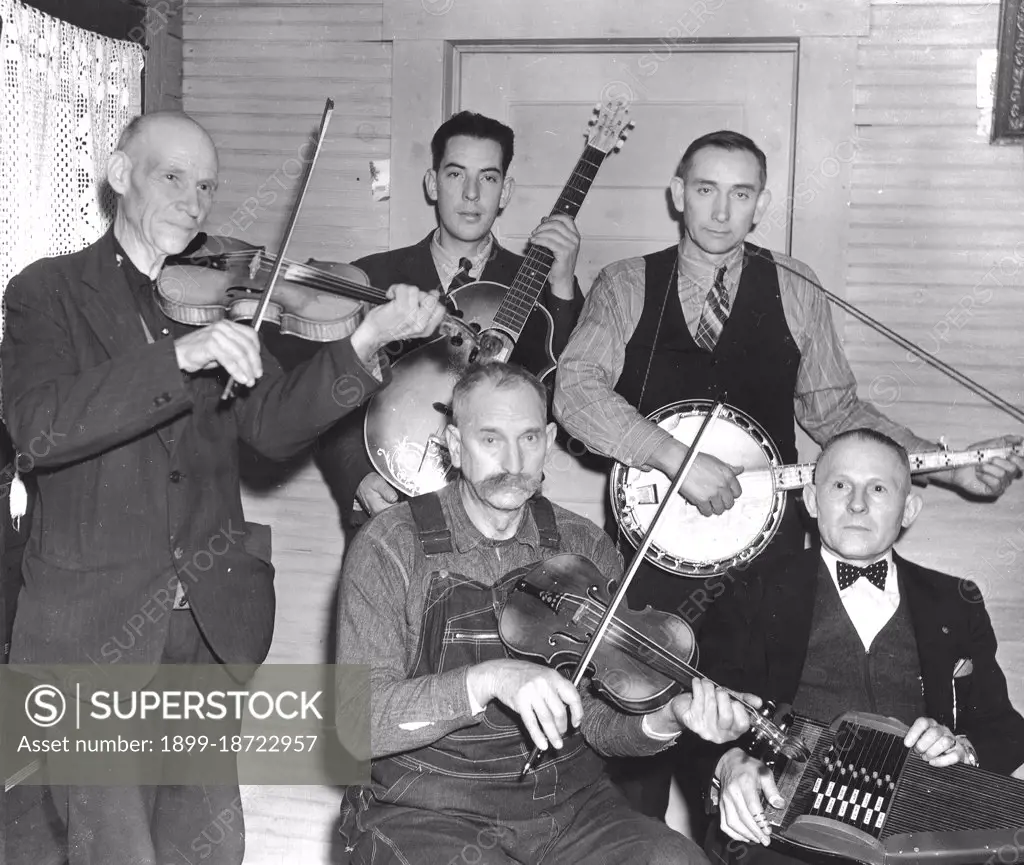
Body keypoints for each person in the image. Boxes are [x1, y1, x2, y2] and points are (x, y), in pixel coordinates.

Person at [0, 110, 445, 865]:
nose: (195, 200)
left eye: (206, 184)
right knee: (115, 851)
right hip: (95, 632)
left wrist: (365, 341)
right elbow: (39, 427)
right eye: (172, 176)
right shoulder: (48, 291)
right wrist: (177, 361)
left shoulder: (226, 295)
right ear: (118, 174)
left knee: (206, 848)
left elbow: (269, 428)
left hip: (204, 625)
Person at [552, 128, 1024, 818]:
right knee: (639, 760)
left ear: (760, 204)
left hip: (765, 567)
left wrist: (948, 465)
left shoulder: (796, 287)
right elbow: (575, 391)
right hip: (654, 563)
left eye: (740, 194)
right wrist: (674, 459)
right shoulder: (625, 282)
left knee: (762, 760)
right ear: (677, 195)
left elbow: (836, 413)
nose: (720, 210)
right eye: (706, 190)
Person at [334, 361, 758, 865]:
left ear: (551, 440)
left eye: (529, 438)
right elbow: (357, 722)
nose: (513, 461)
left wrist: (669, 716)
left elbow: (600, 724)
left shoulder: (584, 546)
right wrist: (489, 679)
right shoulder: (390, 544)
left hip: (569, 811)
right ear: (452, 444)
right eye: (490, 439)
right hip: (426, 808)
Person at [698, 428, 1024, 865]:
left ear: (908, 510)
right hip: (781, 834)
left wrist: (964, 750)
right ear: (811, 501)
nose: (857, 503)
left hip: (917, 839)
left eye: (877, 488)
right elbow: (703, 710)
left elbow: (1004, 728)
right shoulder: (747, 590)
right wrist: (727, 764)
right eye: (839, 485)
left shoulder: (955, 600)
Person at [265, 110, 584, 540]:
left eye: (488, 178)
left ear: (505, 191)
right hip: (391, 506)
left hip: (502, 517)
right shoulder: (371, 277)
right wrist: (357, 476)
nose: (471, 194)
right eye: (456, 175)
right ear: (433, 183)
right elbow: (323, 393)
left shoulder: (539, 286)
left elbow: (571, 390)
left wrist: (562, 283)